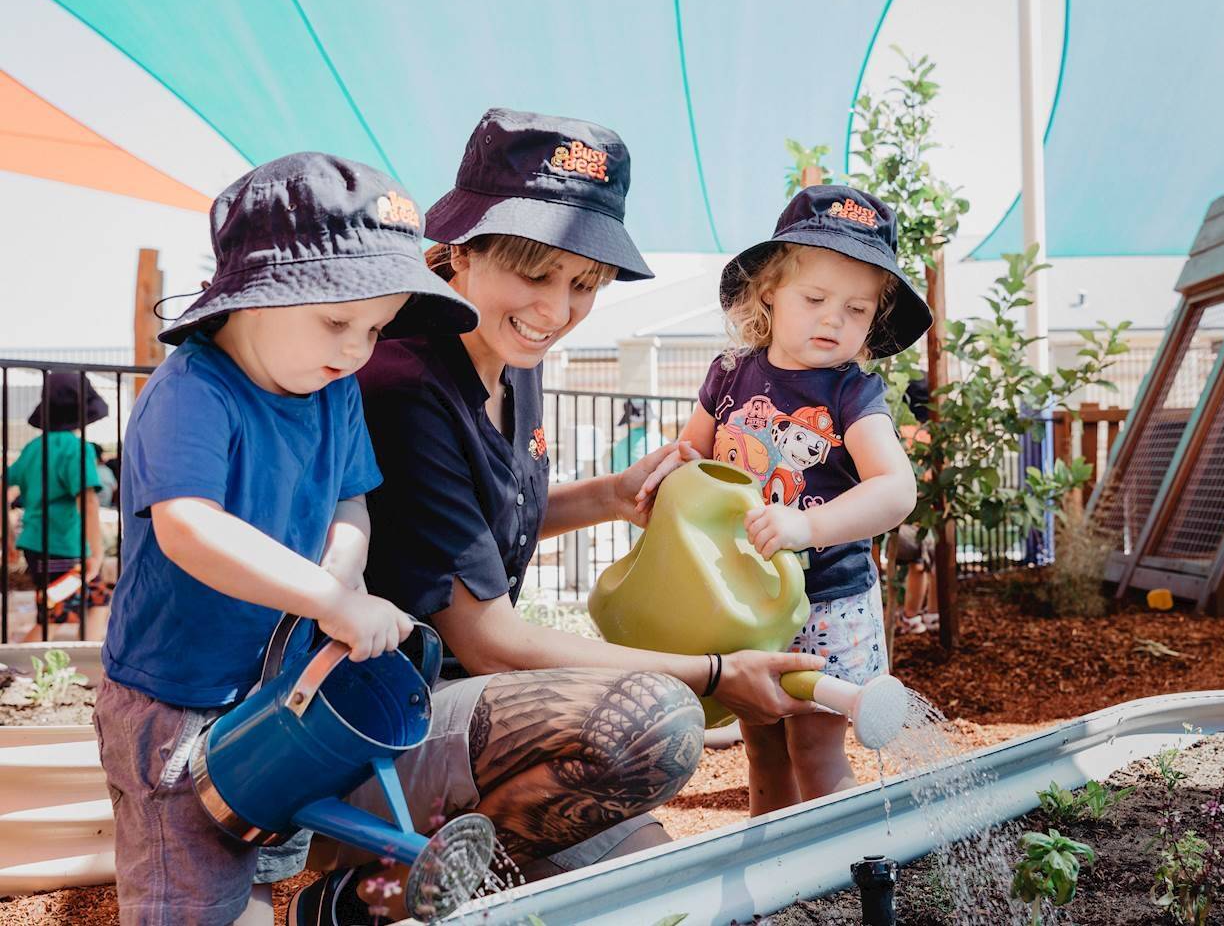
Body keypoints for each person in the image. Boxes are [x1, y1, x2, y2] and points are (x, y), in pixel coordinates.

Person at [289, 110, 823, 924]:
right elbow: (488, 639)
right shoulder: (406, 382)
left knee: (652, 886)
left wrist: (613, 495)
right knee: (654, 725)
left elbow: (478, 528)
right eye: (534, 273)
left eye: (583, 283)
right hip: (376, 725)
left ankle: (435, 876)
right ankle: (369, 898)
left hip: (468, 720)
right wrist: (716, 675)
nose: (558, 307)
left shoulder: (506, 357)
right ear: (461, 251)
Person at [94, 152, 478, 926]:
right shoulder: (195, 390)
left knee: (266, 862)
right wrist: (327, 597)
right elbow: (189, 529)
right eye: (337, 322)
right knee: (189, 895)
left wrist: (343, 575)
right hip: (179, 698)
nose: (356, 348)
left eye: (375, 328)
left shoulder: (334, 393)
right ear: (253, 296)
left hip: (283, 688)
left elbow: (351, 502)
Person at [678, 184, 927, 816]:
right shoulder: (730, 374)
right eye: (814, 299)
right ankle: (774, 885)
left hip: (827, 605)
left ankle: (845, 881)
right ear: (769, 291)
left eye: (856, 309)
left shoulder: (852, 394)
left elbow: (896, 490)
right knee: (762, 752)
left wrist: (804, 524)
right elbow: (689, 459)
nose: (832, 319)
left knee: (816, 755)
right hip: (743, 604)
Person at [4, 372, 112, 641]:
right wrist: (97, 553)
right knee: (53, 617)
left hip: (37, 544)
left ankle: (89, 671)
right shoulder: (77, 449)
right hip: (65, 548)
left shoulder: (33, 448)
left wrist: (7, 536)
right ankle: (21, 673)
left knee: (97, 602)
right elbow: (87, 500)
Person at [891, 376, 938, 635]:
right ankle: (925, 615)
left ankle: (911, 616)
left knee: (918, 563)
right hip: (925, 507)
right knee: (927, 561)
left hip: (908, 506)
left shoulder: (903, 430)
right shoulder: (933, 433)